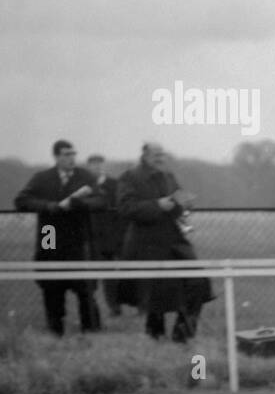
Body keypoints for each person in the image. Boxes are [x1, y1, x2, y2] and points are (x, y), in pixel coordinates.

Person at [117, 141, 214, 342]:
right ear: (144, 155)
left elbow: (177, 207)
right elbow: (125, 208)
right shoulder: (130, 177)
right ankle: (156, 340)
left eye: (162, 154)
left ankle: (182, 337)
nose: (160, 158)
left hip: (174, 241)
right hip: (145, 244)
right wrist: (157, 205)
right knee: (155, 297)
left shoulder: (169, 176)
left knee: (198, 284)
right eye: (155, 154)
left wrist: (184, 204)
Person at [13, 139, 105, 336]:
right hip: (50, 234)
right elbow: (21, 200)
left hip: (78, 236)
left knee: (85, 288)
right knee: (52, 286)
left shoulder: (85, 176)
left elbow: (100, 200)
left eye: (73, 154)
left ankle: (90, 332)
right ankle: (56, 332)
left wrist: (82, 204)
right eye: (66, 154)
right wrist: (49, 206)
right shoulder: (42, 178)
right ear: (56, 156)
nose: (71, 158)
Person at [84, 153, 126, 317]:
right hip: (89, 237)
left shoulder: (114, 185)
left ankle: (114, 307)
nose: (97, 167)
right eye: (93, 164)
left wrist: (118, 237)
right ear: (88, 166)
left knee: (110, 274)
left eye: (99, 164)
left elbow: (120, 213)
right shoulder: (83, 186)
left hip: (109, 237)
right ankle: (90, 308)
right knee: (89, 276)